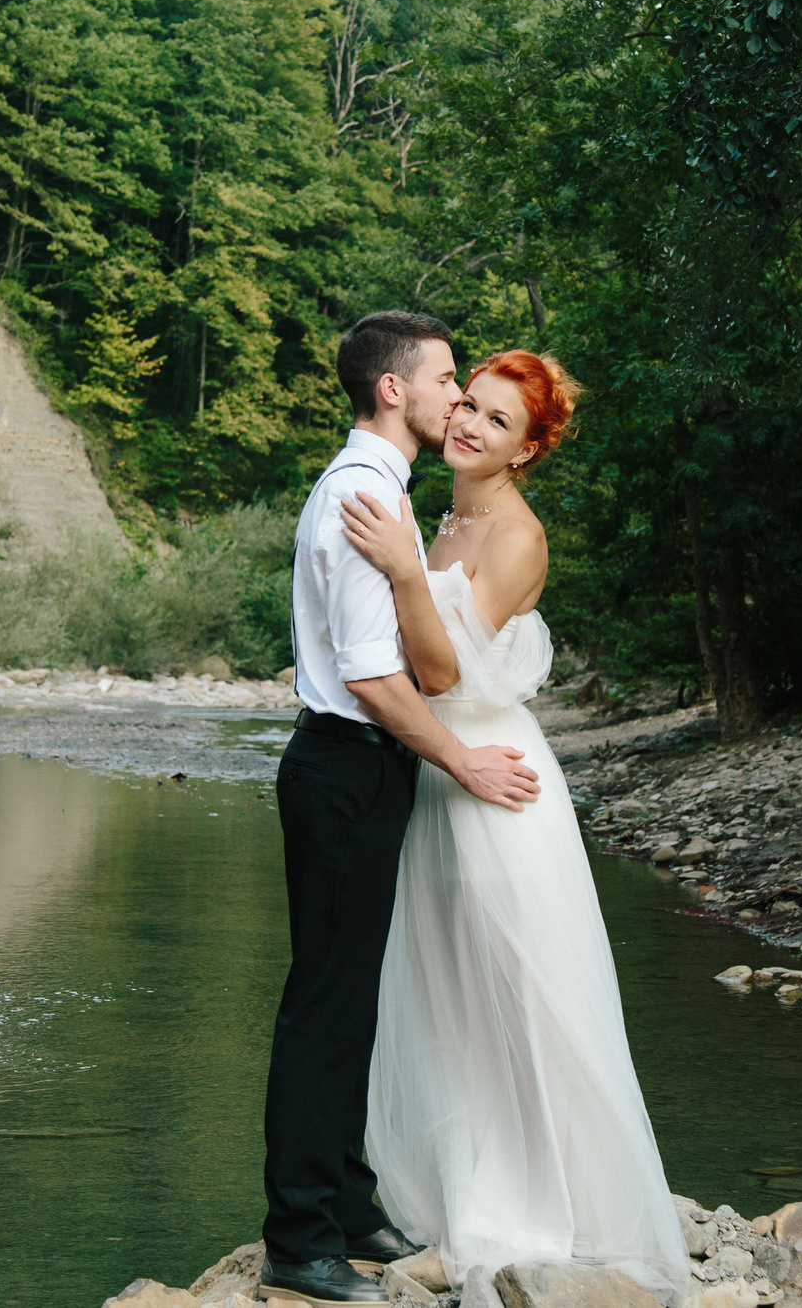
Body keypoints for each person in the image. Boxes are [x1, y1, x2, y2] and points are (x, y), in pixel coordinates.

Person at [341, 349, 693, 1307]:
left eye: (498, 422)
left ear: (528, 448)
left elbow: (445, 667)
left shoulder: (518, 538)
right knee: (444, 993)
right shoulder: (434, 508)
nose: (469, 426)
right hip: (432, 773)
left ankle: (528, 1215)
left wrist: (405, 569)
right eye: (469, 407)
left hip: (492, 779)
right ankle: (459, 1202)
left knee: (517, 998)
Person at [261, 312, 543, 1308]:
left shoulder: (387, 495)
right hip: (346, 763)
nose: (454, 398)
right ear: (395, 390)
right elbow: (377, 681)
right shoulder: (359, 497)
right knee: (324, 1009)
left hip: (364, 770)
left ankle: (342, 1200)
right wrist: (463, 762)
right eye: (444, 381)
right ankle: (297, 1235)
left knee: (351, 1001)